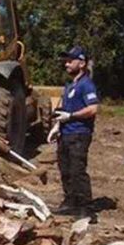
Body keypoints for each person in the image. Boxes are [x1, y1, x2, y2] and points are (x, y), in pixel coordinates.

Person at [48, 46, 100, 217]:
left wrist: (71, 116)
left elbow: (92, 109)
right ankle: (70, 202)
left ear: (82, 63)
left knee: (77, 171)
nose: (66, 64)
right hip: (65, 133)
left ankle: (86, 209)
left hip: (79, 133)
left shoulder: (86, 85)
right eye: (66, 61)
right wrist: (57, 126)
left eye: (70, 61)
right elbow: (64, 109)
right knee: (66, 170)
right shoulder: (70, 86)